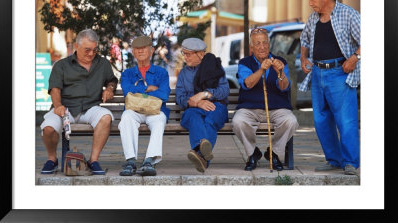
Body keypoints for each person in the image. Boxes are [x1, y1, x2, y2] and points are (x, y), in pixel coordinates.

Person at [300, 0, 360, 176]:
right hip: (317, 73)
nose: (310, 4)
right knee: (321, 119)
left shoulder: (348, 13)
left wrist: (355, 58)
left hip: (339, 72)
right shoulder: (313, 18)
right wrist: (303, 57)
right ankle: (334, 159)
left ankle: (351, 162)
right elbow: (304, 39)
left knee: (346, 120)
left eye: (312, 0)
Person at [40, 29, 118, 175]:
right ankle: (52, 159)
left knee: (106, 117)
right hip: (65, 109)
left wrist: (110, 88)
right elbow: (55, 89)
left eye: (94, 50)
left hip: (90, 108)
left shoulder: (103, 64)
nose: (91, 54)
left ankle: (93, 160)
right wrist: (57, 106)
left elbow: (112, 80)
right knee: (48, 128)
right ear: (77, 46)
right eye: (87, 50)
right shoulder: (61, 65)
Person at [232, 28, 299, 171]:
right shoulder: (244, 63)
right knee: (238, 122)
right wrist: (261, 70)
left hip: (277, 108)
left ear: (269, 45)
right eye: (257, 44)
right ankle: (252, 154)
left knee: (291, 121)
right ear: (251, 47)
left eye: (264, 43)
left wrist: (280, 72)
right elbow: (247, 84)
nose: (262, 47)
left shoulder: (280, 61)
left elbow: (284, 87)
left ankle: (273, 153)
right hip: (250, 108)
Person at [118, 36, 170, 176]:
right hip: (134, 110)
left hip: (155, 110)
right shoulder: (127, 73)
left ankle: (148, 161)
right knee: (126, 118)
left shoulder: (161, 72)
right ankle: (130, 161)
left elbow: (164, 94)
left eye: (144, 48)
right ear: (133, 52)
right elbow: (126, 92)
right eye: (137, 49)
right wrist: (149, 89)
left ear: (151, 50)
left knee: (159, 120)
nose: (140, 51)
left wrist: (139, 91)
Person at [176, 38, 230, 173]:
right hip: (193, 109)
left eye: (188, 54)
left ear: (200, 54)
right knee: (193, 117)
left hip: (216, 106)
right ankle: (203, 156)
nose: (185, 57)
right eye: (184, 53)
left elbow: (224, 91)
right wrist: (197, 102)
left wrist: (205, 94)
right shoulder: (183, 74)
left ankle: (199, 154)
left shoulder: (215, 68)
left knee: (210, 120)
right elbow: (180, 98)